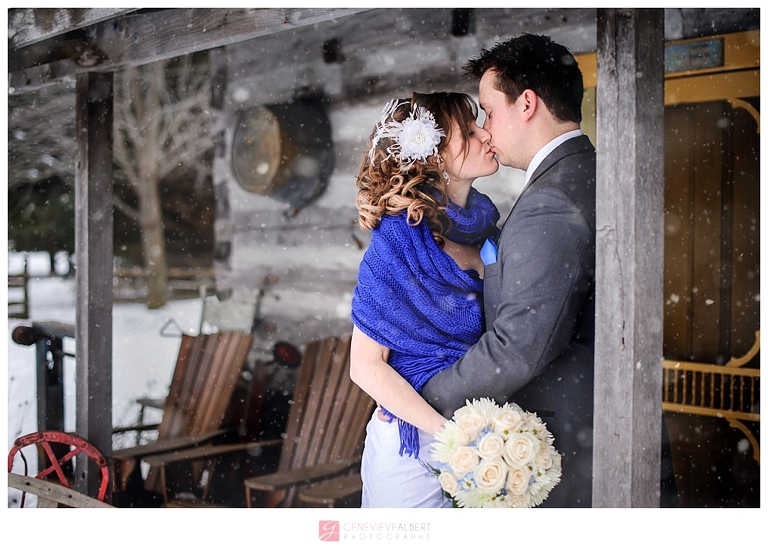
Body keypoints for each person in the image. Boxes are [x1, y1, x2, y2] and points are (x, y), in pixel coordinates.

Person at [420, 33, 598, 508]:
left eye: (488, 111)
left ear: (527, 104)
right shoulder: (584, 173)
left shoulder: (551, 200)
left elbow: (518, 345)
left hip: (572, 452)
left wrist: (422, 397)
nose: (485, 129)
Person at [349, 92, 500, 507]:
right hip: (413, 446)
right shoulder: (398, 242)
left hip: (481, 431)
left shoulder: (486, 231)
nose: (486, 134)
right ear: (434, 156)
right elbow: (365, 366)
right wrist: (450, 436)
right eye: (469, 132)